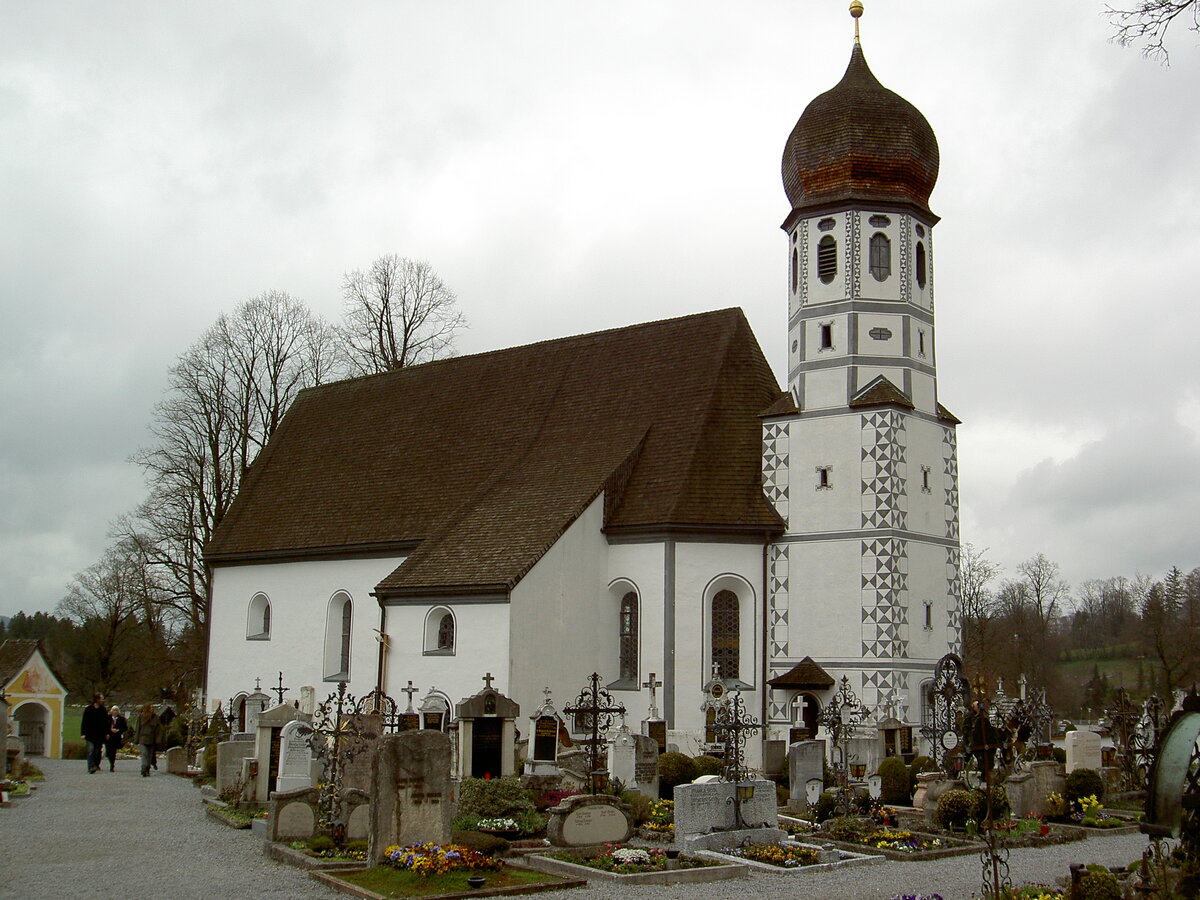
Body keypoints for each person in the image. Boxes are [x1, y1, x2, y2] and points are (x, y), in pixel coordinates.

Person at [81, 693, 108, 774]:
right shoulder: (88, 709)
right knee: (90, 750)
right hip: (90, 734)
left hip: (99, 734)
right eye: (102, 699)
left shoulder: (103, 710)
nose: (103, 700)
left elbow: (105, 722)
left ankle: (96, 764)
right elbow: (84, 722)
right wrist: (83, 733)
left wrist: (106, 733)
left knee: (98, 751)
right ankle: (91, 766)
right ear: (97, 699)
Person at [135, 703, 163, 777]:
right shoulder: (141, 717)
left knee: (149, 755)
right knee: (144, 753)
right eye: (150, 708)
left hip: (152, 739)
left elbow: (158, 729)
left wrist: (158, 739)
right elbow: (138, 728)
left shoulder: (155, 718)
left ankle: (147, 768)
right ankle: (144, 767)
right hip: (143, 738)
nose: (152, 709)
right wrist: (136, 739)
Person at [104, 706, 128, 772]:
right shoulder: (107, 718)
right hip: (109, 736)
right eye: (114, 710)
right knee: (108, 752)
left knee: (113, 751)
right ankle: (110, 760)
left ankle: (112, 764)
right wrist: (109, 730)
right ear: (111, 711)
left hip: (116, 737)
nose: (115, 712)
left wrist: (118, 730)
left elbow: (125, 728)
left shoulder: (121, 719)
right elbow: (104, 727)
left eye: (116, 710)